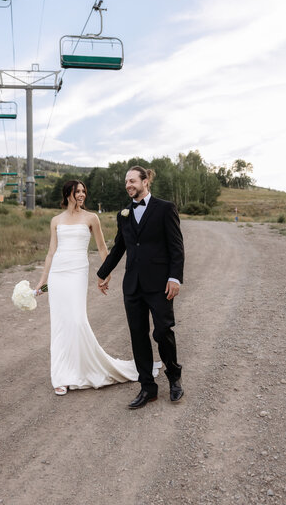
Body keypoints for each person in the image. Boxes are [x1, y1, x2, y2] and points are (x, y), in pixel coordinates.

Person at [35, 179, 160, 396]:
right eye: (77, 192)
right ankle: (61, 375)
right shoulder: (56, 220)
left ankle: (86, 367)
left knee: (77, 320)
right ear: (68, 194)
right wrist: (43, 281)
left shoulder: (92, 218)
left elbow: (103, 248)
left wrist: (106, 274)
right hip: (58, 274)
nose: (82, 195)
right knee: (60, 324)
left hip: (77, 272)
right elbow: (50, 252)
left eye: (84, 191)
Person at [97, 166, 185, 409]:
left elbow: (176, 247)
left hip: (160, 285)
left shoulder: (165, 208)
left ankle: (175, 376)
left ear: (146, 181)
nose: (128, 185)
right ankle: (148, 388)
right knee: (138, 337)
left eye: (132, 180)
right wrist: (103, 273)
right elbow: (119, 247)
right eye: (126, 181)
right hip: (133, 286)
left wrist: (174, 278)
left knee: (162, 332)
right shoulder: (123, 214)